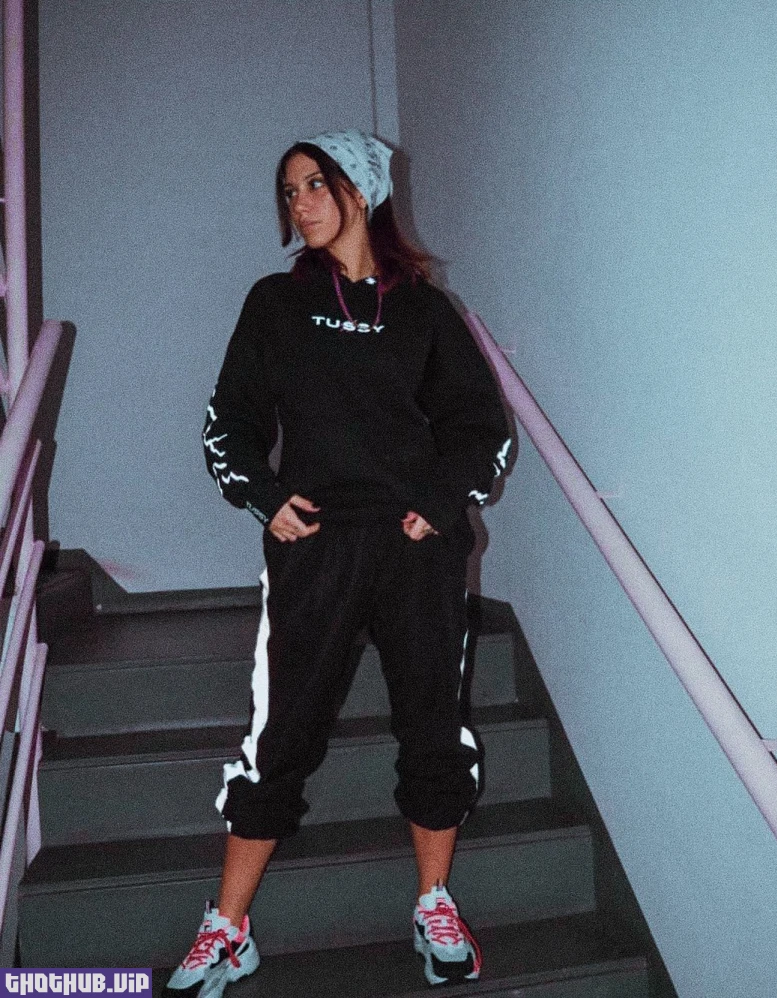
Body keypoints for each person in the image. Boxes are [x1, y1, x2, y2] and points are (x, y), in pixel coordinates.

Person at [165, 129, 510, 998]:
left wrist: (440, 505)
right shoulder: (276, 303)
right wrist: (263, 495)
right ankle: (227, 928)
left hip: (415, 548)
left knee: (432, 727)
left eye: (315, 184)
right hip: (315, 547)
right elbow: (229, 421)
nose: (300, 203)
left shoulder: (424, 310)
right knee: (280, 735)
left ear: (362, 189)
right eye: (289, 191)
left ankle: (433, 902)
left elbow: (481, 427)